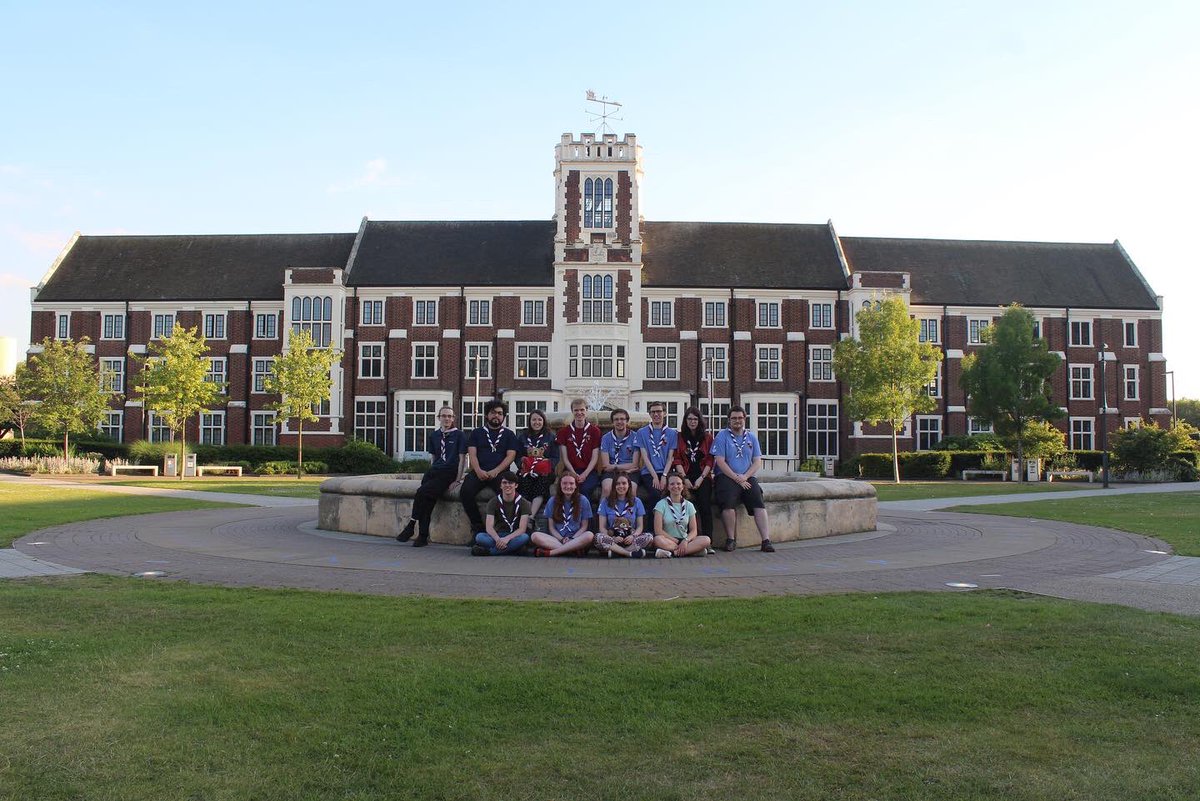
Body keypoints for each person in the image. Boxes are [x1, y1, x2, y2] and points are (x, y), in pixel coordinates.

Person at [397, 405, 466, 547]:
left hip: (448, 472)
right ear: (439, 418)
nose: (447, 418)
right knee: (427, 502)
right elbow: (433, 458)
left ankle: (411, 524)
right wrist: (431, 472)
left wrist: (458, 480)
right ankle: (422, 537)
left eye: (450, 416)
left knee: (421, 492)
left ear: (453, 419)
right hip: (434, 471)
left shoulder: (459, 435)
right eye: (444, 416)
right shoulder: (434, 435)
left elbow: (462, 459)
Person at [710, 406, 775, 552]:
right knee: (727, 503)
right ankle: (731, 539)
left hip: (746, 476)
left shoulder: (751, 437)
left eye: (740, 418)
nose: (737, 421)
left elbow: (757, 461)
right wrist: (736, 478)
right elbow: (719, 461)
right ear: (729, 420)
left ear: (744, 419)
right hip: (727, 476)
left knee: (758, 501)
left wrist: (745, 476)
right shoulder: (722, 436)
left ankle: (766, 540)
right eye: (734, 418)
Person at [460, 400, 519, 541]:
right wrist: (478, 470)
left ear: (504, 417)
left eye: (500, 413)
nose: (496, 416)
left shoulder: (509, 434)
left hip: (500, 473)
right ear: (486, 415)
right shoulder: (476, 433)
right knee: (465, 492)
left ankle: (504, 528)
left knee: (508, 495)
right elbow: (472, 454)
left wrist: (496, 471)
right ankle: (477, 528)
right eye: (493, 413)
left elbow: (511, 456)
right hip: (479, 471)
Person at [674, 406, 715, 553]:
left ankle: (708, 541)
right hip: (685, 476)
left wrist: (701, 478)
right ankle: (689, 541)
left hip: (702, 477)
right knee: (686, 510)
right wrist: (684, 479)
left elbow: (710, 460)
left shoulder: (708, 438)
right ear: (685, 420)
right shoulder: (679, 437)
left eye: (695, 419)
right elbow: (677, 459)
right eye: (689, 419)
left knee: (705, 507)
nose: (692, 422)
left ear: (700, 421)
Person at [532, 473, 594, 557]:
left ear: (576, 486)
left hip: (576, 538)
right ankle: (573, 550)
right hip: (558, 539)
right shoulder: (552, 500)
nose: (568, 486)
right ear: (560, 485)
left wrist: (572, 539)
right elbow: (551, 528)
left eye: (571, 483)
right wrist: (562, 539)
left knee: (589, 535)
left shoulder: (583, 500)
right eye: (564, 483)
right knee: (535, 536)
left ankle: (551, 553)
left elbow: (584, 527)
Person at [651, 474, 711, 558]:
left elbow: (694, 531)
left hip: (685, 540)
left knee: (706, 540)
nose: (675, 486)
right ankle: (691, 551)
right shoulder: (661, 504)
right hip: (668, 539)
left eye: (678, 484)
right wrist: (675, 540)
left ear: (683, 486)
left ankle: (673, 553)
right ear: (668, 487)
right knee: (657, 539)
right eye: (672, 484)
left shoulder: (689, 505)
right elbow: (658, 531)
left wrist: (685, 541)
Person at [471, 473, 532, 556]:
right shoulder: (493, 502)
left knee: (524, 537)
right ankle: (513, 549)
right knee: (479, 537)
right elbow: (489, 527)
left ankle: (489, 552)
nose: (507, 485)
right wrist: (498, 540)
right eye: (504, 483)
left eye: (510, 483)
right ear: (500, 486)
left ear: (516, 485)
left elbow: (522, 529)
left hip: (514, 535)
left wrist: (507, 539)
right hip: (498, 534)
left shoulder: (524, 503)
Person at [594, 472, 651, 558]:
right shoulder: (605, 501)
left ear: (629, 485)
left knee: (649, 537)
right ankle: (628, 553)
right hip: (612, 539)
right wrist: (613, 538)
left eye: (624, 483)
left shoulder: (637, 501)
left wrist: (633, 536)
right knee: (598, 537)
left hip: (630, 539)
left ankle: (616, 552)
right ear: (614, 486)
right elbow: (602, 527)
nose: (621, 486)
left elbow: (640, 526)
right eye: (618, 484)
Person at [556, 397, 602, 502]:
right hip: (570, 469)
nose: (579, 413)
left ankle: (586, 517)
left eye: (582, 410)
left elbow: (595, 457)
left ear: (586, 411)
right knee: (567, 488)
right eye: (576, 410)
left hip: (589, 471)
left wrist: (585, 474)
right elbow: (565, 458)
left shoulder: (595, 431)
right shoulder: (564, 432)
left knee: (584, 489)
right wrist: (573, 473)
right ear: (572, 411)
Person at [515, 408, 556, 520]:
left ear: (544, 421)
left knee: (542, 483)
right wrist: (522, 463)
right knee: (524, 482)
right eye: (534, 420)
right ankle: (524, 514)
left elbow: (555, 457)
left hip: (544, 472)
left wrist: (546, 464)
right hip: (527, 471)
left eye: (539, 419)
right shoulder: (522, 436)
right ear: (529, 421)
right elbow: (517, 456)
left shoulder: (550, 437)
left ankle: (531, 516)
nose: (536, 422)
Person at [637, 401, 677, 509]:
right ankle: (652, 525)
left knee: (670, 495)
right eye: (653, 412)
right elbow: (645, 457)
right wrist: (655, 476)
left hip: (665, 471)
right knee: (655, 494)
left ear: (664, 413)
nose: (656, 414)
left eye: (659, 411)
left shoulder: (672, 433)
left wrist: (664, 476)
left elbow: (670, 458)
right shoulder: (642, 432)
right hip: (649, 472)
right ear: (649, 414)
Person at [598, 407, 640, 499]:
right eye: (616, 419)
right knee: (606, 489)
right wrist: (621, 468)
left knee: (631, 490)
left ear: (627, 421)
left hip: (630, 472)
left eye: (622, 419)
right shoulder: (606, 438)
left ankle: (630, 513)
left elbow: (635, 464)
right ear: (612, 422)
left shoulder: (635, 437)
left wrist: (616, 467)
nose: (619, 422)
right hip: (611, 472)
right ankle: (602, 513)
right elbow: (605, 465)